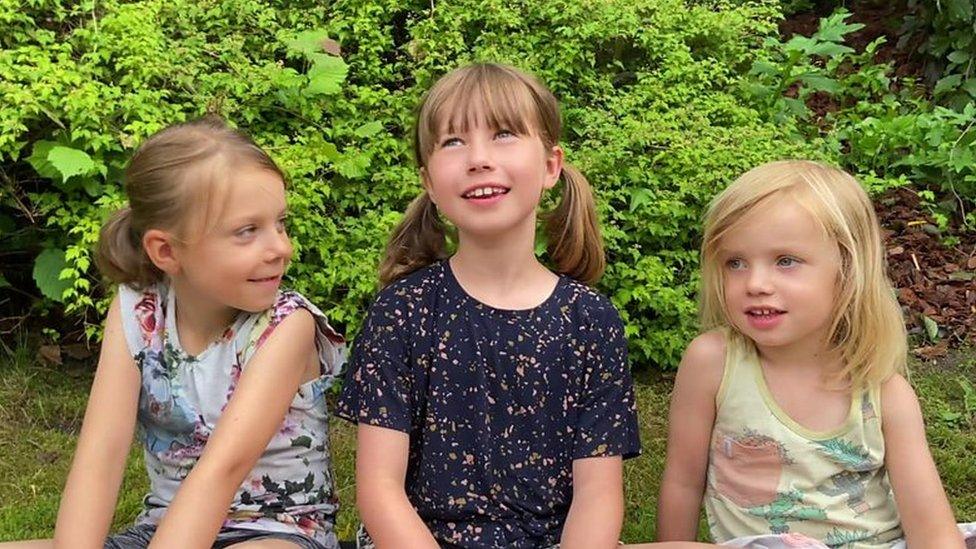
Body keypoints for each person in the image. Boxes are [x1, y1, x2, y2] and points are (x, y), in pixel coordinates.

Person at [336, 63, 641, 549]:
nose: (478, 159)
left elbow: (598, 497)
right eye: (453, 142)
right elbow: (379, 490)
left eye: (503, 134)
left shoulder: (592, 320)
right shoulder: (402, 311)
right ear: (430, 183)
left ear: (550, 166)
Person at [4, 117, 346, 549]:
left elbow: (220, 472)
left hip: (275, 532)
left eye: (280, 223)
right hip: (162, 531)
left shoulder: (286, 325)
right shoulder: (137, 309)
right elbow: (100, 455)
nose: (281, 247)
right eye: (248, 231)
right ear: (166, 250)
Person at [656, 160, 974, 548]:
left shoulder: (884, 393)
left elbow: (932, 531)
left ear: (847, 268)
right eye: (735, 263)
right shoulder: (712, 363)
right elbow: (683, 482)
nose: (755, 283)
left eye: (785, 261)